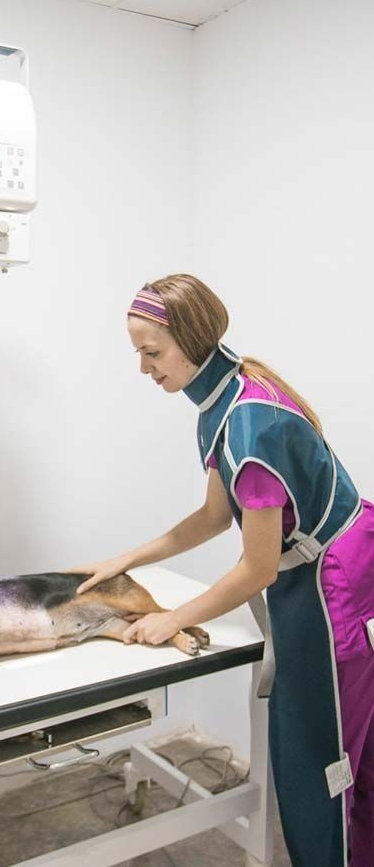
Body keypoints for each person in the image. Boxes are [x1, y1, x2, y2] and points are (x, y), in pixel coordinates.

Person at [70, 275, 374, 867]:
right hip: (320, 572)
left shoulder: (249, 426)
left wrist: (173, 619)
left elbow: (257, 568)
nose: (143, 368)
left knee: (323, 769)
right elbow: (215, 515)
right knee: (328, 751)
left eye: (151, 352)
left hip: (332, 585)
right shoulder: (223, 400)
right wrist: (126, 559)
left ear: (190, 340)